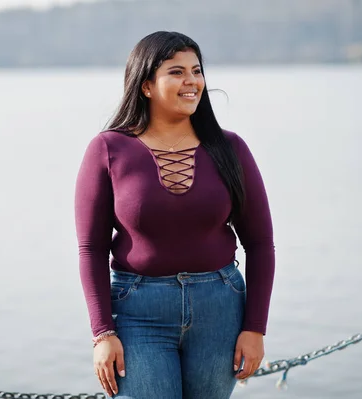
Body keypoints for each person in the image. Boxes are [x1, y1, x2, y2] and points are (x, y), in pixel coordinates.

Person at [74, 31, 275, 399]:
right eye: (177, 72)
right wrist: (103, 333)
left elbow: (260, 244)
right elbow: (90, 249)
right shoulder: (108, 149)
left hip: (220, 307)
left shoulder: (230, 148)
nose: (192, 82)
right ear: (147, 85)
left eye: (196, 71)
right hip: (138, 311)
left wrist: (255, 328)